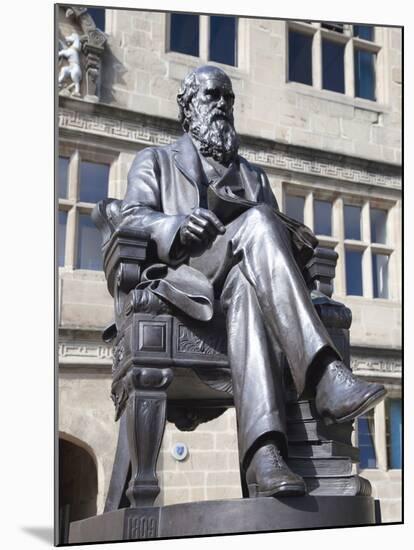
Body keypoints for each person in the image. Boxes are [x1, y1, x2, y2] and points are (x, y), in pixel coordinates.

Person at [119, 65, 386, 498]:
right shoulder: (156, 161)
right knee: (258, 220)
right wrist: (178, 226)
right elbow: (131, 217)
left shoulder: (254, 176)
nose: (222, 105)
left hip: (241, 289)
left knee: (250, 273)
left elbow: (274, 242)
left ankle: (265, 457)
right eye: (211, 97)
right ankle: (324, 375)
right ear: (188, 109)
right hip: (189, 281)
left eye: (228, 98)